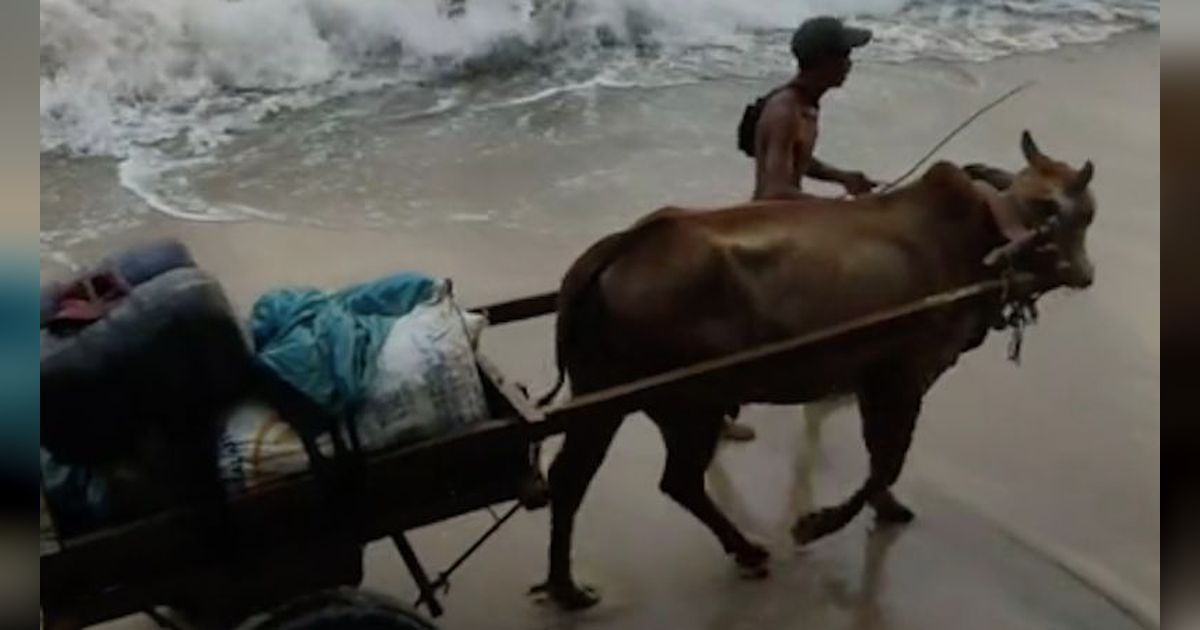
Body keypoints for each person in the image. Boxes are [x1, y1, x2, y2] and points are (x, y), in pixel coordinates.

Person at [721, 15, 880, 442]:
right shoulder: (785, 110)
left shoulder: (807, 105)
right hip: (773, 230)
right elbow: (775, 190)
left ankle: (824, 378)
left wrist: (843, 177)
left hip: (793, 224)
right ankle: (721, 408)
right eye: (845, 55)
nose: (851, 64)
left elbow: (798, 161)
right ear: (823, 61)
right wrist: (837, 211)